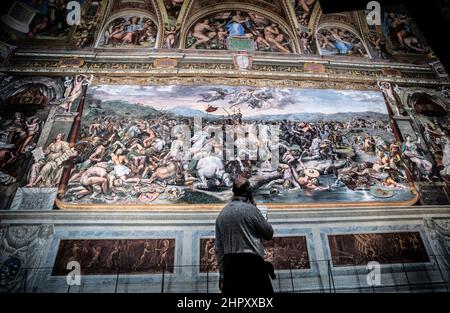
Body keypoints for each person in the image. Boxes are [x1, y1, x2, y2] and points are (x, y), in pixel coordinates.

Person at [215, 176, 275, 294]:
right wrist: (256, 209)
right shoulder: (251, 209)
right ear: (248, 191)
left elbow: (219, 249)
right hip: (252, 265)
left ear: (233, 191)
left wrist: (222, 275)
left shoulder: (222, 215)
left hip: (230, 267)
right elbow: (268, 233)